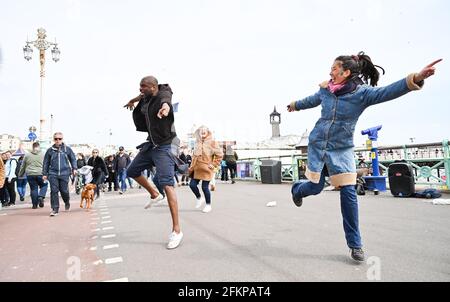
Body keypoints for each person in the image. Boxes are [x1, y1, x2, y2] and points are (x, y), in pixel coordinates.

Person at [288, 52, 442, 262]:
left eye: (334, 68)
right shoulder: (325, 90)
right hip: (317, 145)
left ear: (346, 72)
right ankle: (297, 189)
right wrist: (295, 105)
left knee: (349, 193)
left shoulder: (362, 94)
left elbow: (388, 91)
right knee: (314, 187)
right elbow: (311, 100)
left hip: (341, 149)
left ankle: (355, 244)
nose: (330, 71)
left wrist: (416, 78)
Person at [124, 75, 184, 249]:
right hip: (152, 144)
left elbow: (166, 99)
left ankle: (176, 230)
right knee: (131, 170)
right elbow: (140, 96)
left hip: (165, 146)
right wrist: (132, 100)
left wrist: (165, 108)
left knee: (167, 184)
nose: (140, 89)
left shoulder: (162, 95)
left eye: (143, 87)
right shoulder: (146, 96)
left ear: (152, 87)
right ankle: (154, 194)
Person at [188, 126, 223, 213]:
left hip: (206, 169)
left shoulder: (212, 142)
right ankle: (199, 198)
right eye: (201, 130)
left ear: (208, 132)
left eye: (204, 130)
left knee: (204, 187)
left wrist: (214, 164)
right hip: (196, 168)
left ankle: (208, 205)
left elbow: (220, 155)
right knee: (192, 185)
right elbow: (194, 156)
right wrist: (191, 167)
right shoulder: (197, 142)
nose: (202, 131)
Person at [43, 132, 78, 217]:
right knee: (54, 191)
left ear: (62, 139)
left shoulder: (67, 149)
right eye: (56, 139)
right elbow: (46, 163)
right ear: (53, 139)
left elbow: (73, 159)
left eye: (59, 139)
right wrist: (44, 173)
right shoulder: (50, 150)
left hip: (65, 173)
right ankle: (55, 209)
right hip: (53, 173)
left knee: (64, 191)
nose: (58, 140)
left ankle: (67, 202)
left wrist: (74, 168)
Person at [18, 142, 48, 209]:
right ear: (39, 146)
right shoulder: (43, 154)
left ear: (32, 147)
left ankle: (34, 205)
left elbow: (23, 166)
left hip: (30, 174)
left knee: (33, 189)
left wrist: (20, 174)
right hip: (41, 173)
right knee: (44, 185)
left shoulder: (27, 155)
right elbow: (47, 164)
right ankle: (41, 196)